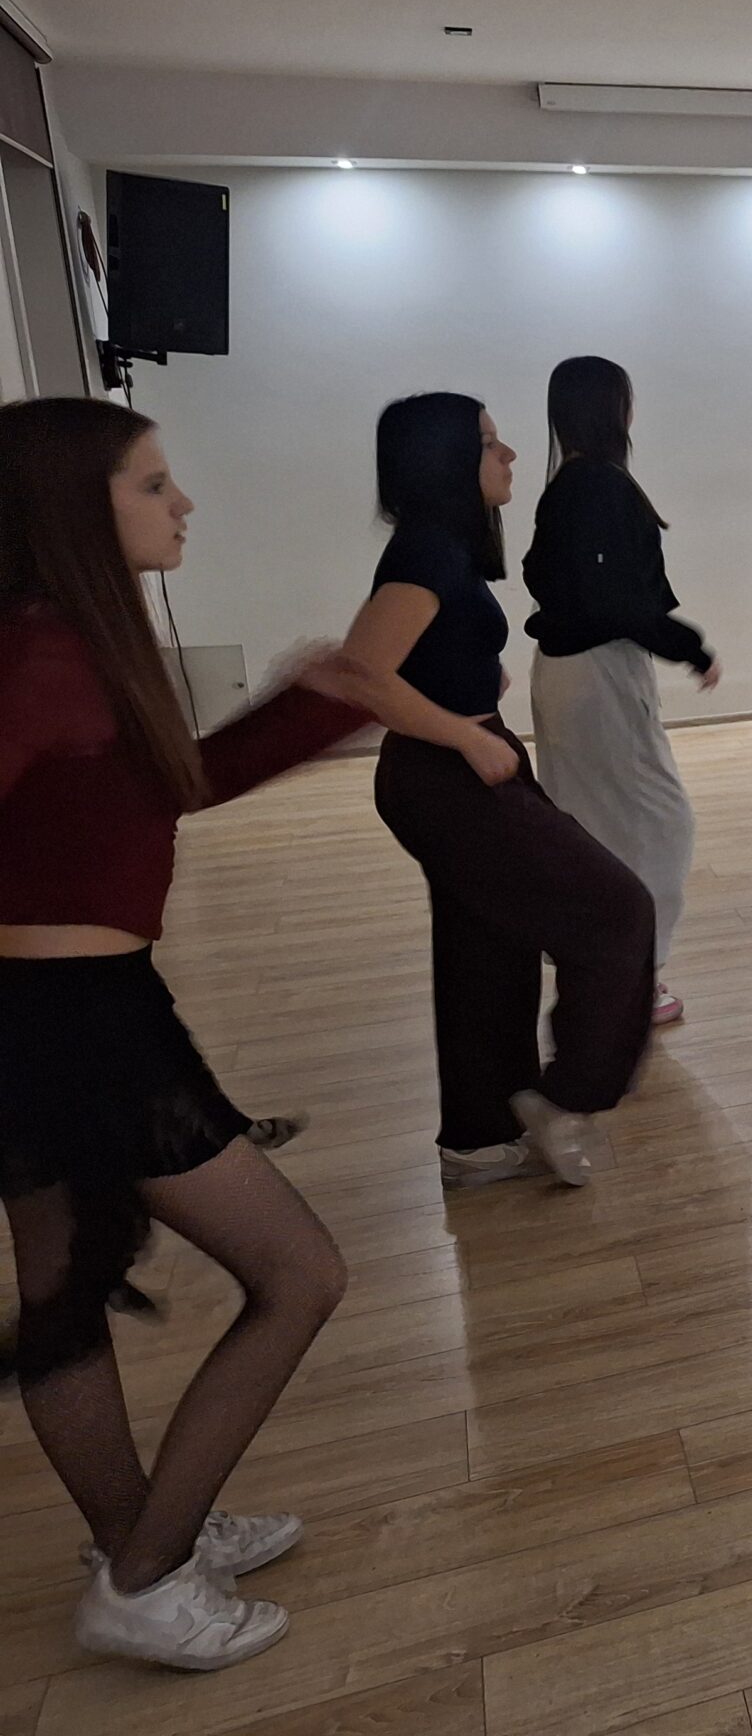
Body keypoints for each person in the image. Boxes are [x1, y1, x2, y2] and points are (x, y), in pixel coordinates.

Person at [0, 397, 373, 1670]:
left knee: (62, 1297)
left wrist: (311, 707)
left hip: (65, 1011)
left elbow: (165, 791)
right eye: (153, 484)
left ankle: (139, 1542)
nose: (184, 504)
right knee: (300, 1274)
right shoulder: (41, 656)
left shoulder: (61, 643)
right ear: (72, 509)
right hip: (73, 1027)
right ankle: (147, 1574)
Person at [352, 393, 656, 1189]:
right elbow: (362, 674)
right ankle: (567, 1098)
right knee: (617, 910)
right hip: (448, 773)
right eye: (490, 442)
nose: (510, 454)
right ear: (446, 461)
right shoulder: (427, 552)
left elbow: (409, 661)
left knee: (485, 951)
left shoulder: (440, 549)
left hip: (454, 764)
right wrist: (462, 735)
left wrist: (476, 684)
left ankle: (479, 1139)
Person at [523, 356, 717, 1026]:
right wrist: (688, 646)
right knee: (657, 825)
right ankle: (629, 980)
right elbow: (612, 600)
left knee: (594, 825)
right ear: (614, 409)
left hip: (569, 673)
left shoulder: (568, 488)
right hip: (595, 675)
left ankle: (603, 974)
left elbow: (550, 578)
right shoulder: (596, 487)